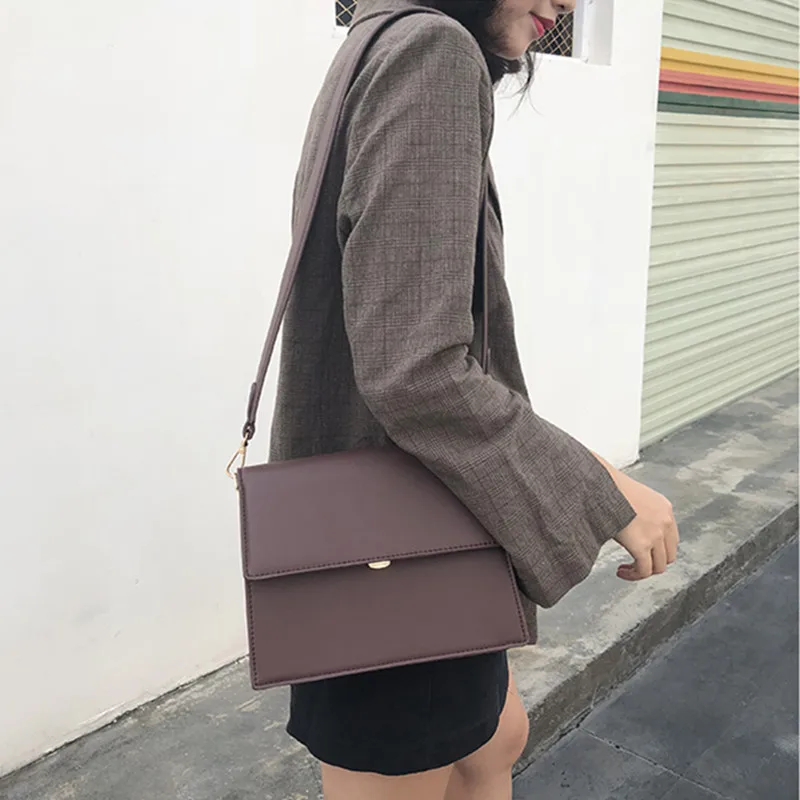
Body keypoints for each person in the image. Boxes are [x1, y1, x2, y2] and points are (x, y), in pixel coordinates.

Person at [268, 1, 680, 798]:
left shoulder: (382, 40)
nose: (569, 4)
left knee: (493, 741)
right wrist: (600, 488)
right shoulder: (432, 53)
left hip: (413, 545)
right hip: (394, 566)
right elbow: (415, 370)